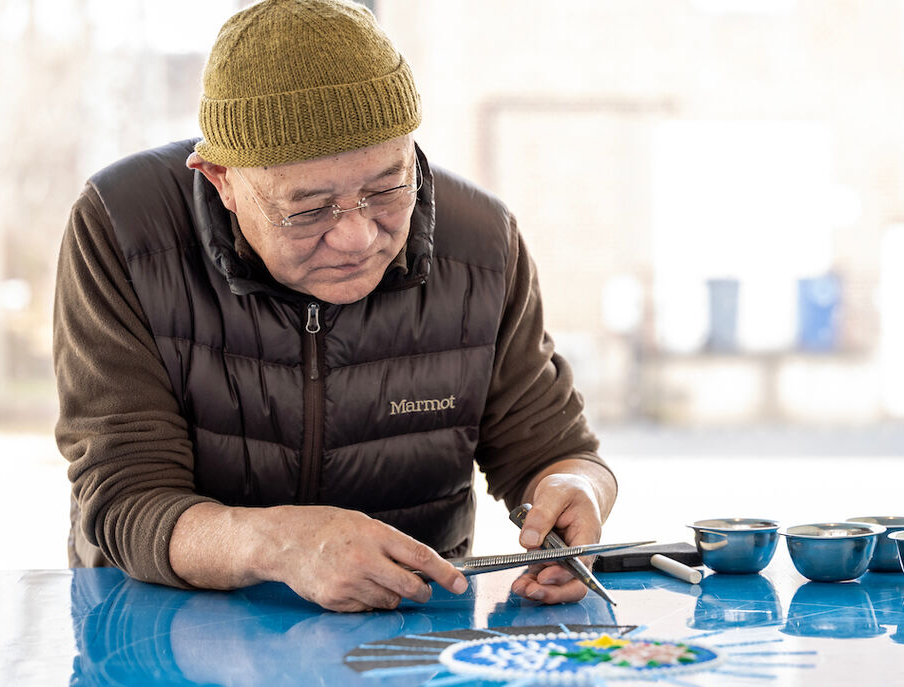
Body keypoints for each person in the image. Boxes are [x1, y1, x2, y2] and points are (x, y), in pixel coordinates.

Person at [53, 0, 616, 613]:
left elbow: (552, 447)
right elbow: (125, 497)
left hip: (411, 636)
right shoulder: (124, 229)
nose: (358, 237)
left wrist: (576, 489)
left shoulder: (482, 239)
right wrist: (275, 545)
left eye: (387, 188)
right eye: (308, 208)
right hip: (160, 635)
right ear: (222, 180)